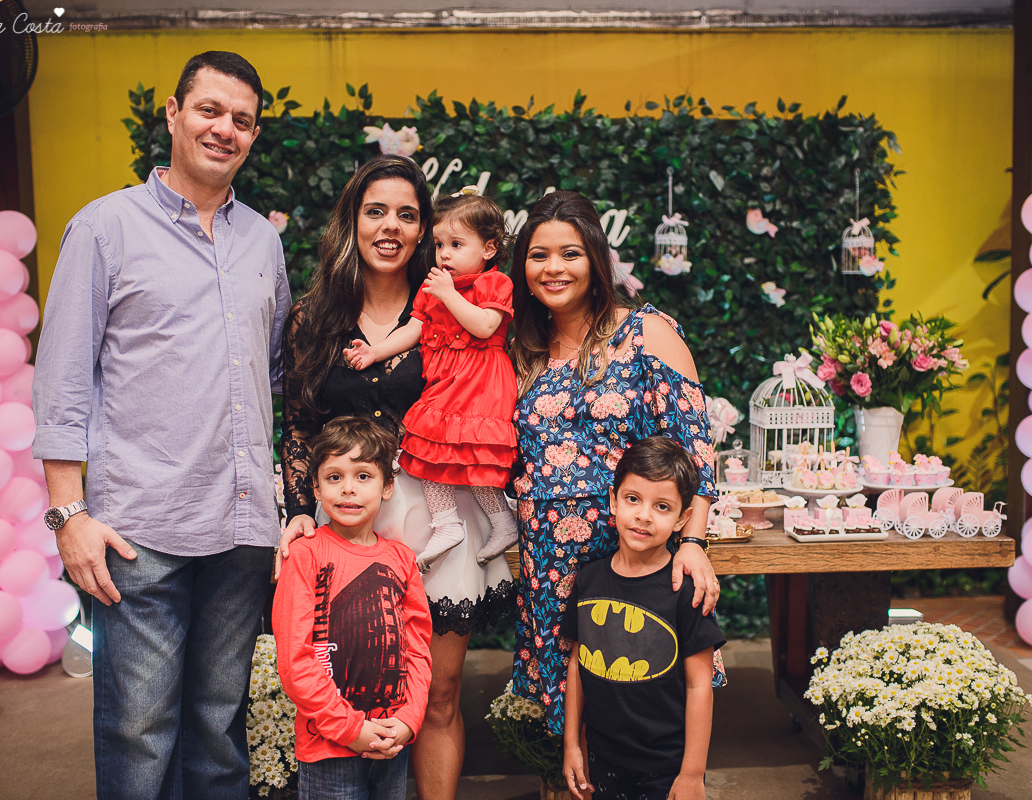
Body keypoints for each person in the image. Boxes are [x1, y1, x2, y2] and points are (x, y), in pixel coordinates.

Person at [32, 51, 291, 799]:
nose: (225, 129)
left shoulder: (262, 243)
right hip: (138, 529)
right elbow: (63, 379)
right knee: (138, 733)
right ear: (174, 114)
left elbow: (266, 373)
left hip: (241, 527)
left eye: (242, 120)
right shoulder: (105, 227)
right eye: (209, 110)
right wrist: (67, 515)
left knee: (219, 727)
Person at [278, 155, 514, 800]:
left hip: (439, 511)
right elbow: (297, 423)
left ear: (424, 230)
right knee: (348, 683)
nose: (390, 226)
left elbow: (495, 389)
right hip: (350, 517)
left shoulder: (450, 302)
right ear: (351, 220)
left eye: (407, 215)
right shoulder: (314, 315)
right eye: (375, 211)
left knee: (435, 693)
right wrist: (301, 507)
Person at [510, 190, 723, 737]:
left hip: (635, 555)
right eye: (539, 255)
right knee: (575, 717)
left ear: (597, 260)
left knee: (646, 709)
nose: (553, 268)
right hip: (553, 566)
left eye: (570, 253)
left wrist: (694, 542)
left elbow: (694, 450)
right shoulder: (522, 349)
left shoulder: (647, 332)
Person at [344, 187, 518, 572]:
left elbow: (486, 326)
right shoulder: (435, 285)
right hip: (445, 385)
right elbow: (413, 330)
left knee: (476, 457)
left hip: (479, 383)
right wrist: (374, 351)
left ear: (488, 249)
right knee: (424, 449)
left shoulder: (494, 284)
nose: (445, 254)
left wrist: (449, 294)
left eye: (457, 244)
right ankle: (446, 523)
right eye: (440, 244)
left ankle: (504, 521)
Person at [273, 416, 432, 800]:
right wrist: (349, 729)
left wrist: (409, 720)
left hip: (392, 739)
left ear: (388, 486)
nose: (348, 489)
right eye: (334, 477)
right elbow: (296, 659)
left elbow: (417, 647)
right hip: (328, 746)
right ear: (315, 485)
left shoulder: (401, 559)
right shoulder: (305, 555)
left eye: (363, 476)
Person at [562, 437, 726, 800]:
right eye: (632, 499)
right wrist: (572, 744)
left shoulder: (686, 591)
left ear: (684, 518)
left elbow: (700, 686)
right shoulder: (589, 580)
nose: (643, 515)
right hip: (601, 758)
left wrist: (692, 773)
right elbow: (577, 662)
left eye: (662, 506)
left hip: (665, 766)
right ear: (613, 500)